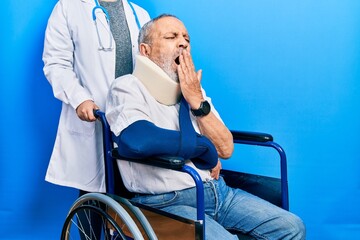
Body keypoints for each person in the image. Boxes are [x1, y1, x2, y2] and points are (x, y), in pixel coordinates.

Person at [106, 14, 306, 239]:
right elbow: (138, 140)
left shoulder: (194, 91)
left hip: (219, 192)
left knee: (291, 226)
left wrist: (197, 103)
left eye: (186, 39)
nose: (182, 42)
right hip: (166, 202)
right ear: (145, 50)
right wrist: (203, 148)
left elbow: (226, 149)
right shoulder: (127, 87)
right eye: (171, 37)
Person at [42, 0, 150, 194]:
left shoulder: (140, 14)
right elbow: (56, 63)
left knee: (134, 200)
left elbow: (152, 68)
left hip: (134, 119)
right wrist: (80, 98)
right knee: (94, 197)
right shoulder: (69, 7)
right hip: (96, 118)